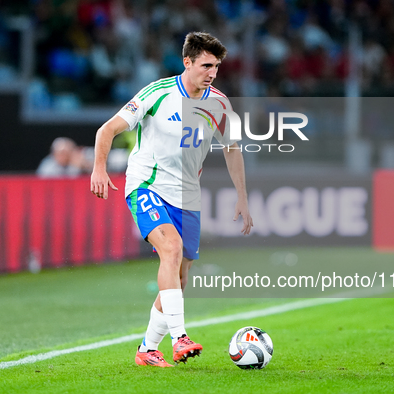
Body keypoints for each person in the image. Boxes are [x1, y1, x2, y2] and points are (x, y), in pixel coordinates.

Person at [91, 32, 253, 368]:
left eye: (217, 66)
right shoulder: (157, 93)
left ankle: (147, 349)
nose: (212, 72)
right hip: (146, 184)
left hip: (187, 194)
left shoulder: (220, 104)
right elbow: (106, 130)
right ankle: (180, 337)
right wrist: (99, 170)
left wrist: (243, 197)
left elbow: (232, 149)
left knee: (180, 277)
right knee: (171, 248)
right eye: (206, 65)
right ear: (188, 62)